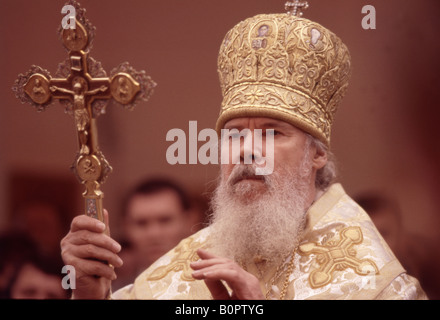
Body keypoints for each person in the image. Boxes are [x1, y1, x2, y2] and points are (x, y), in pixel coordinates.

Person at [61, 8, 427, 299]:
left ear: (317, 155)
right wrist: (91, 295)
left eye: (272, 133)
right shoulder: (186, 263)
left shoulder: (376, 283)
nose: (248, 151)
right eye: (234, 135)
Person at [112, 178, 193, 290]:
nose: (154, 234)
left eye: (165, 220)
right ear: (126, 227)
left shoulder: (215, 287)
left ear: (187, 221)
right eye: (141, 223)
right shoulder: (113, 293)